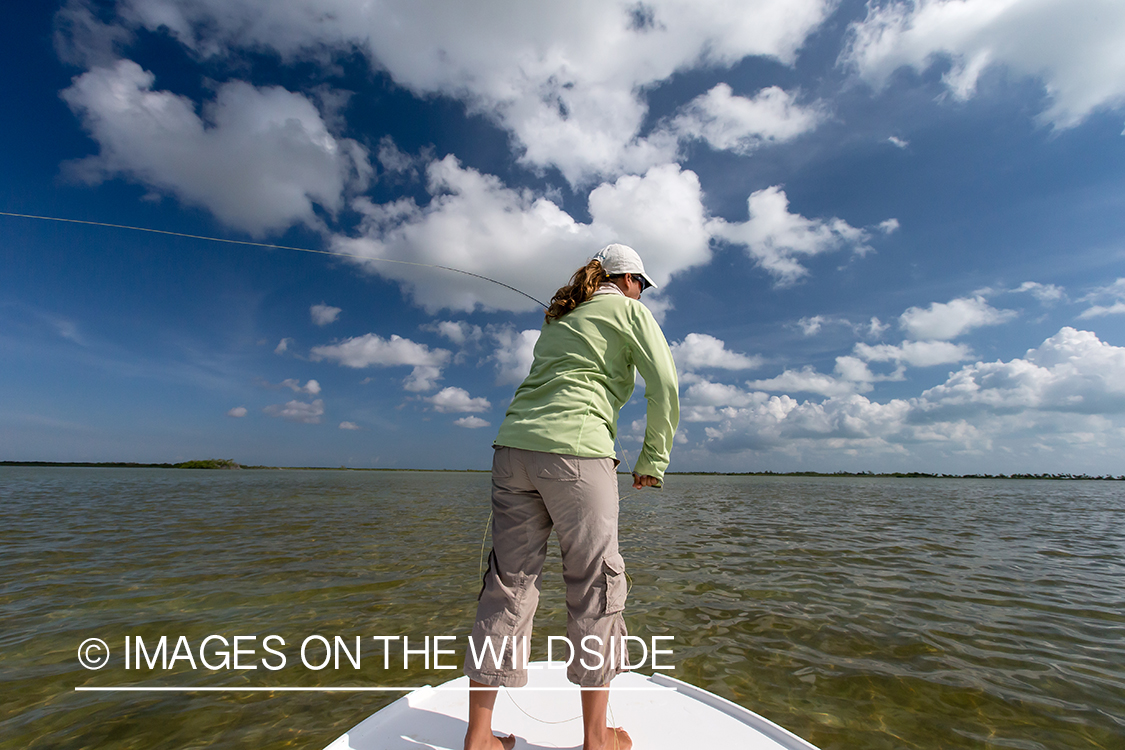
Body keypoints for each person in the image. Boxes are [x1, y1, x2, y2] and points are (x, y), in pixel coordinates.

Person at [463, 243, 679, 750]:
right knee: (595, 587)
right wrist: (653, 461)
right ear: (627, 281)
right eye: (641, 285)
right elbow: (664, 383)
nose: (642, 294)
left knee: (507, 587)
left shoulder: (560, 318)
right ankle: (596, 739)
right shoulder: (629, 311)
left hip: (512, 449)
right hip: (578, 455)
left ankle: (478, 739)